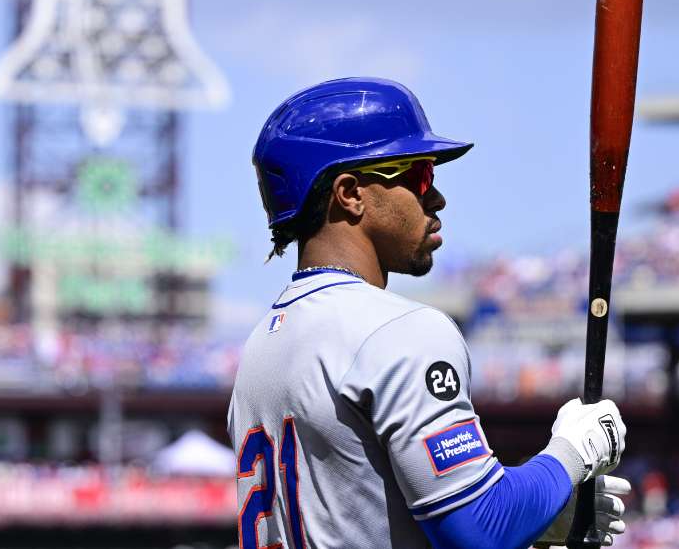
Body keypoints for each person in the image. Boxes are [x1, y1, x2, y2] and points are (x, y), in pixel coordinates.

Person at [229, 77, 629, 549]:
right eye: (419, 175)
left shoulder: (261, 345)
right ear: (350, 193)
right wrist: (569, 453)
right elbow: (479, 530)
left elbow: (364, 511)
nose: (436, 198)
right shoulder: (398, 330)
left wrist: (537, 517)